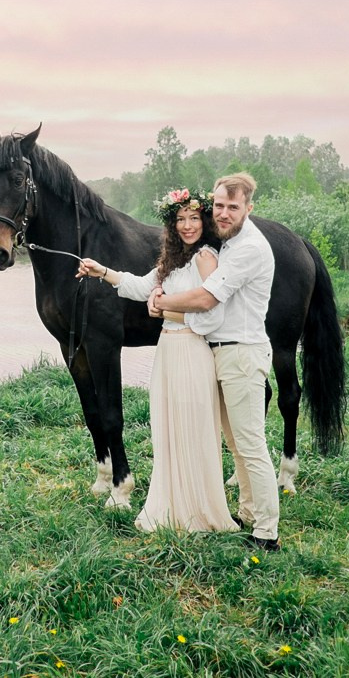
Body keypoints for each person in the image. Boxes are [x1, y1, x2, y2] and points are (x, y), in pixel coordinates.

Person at [77, 188, 239, 534]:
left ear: (204, 221)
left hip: (192, 351)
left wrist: (168, 309)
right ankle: (170, 503)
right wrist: (101, 270)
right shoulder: (172, 261)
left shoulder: (206, 258)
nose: (188, 225)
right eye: (180, 219)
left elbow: (214, 315)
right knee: (167, 426)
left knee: (192, 426)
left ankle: (200, 509)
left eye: (194, 218)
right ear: (172, 224)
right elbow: (138, 286)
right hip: (167, 352)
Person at [150, 173, 280, 551]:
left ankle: (267, 532)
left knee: (252, 444)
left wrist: (160, 303)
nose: (223, 214)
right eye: (219, 206)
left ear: (249, 208)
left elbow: (207, 300)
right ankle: (248, 513)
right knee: (236, 443)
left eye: (232, 208)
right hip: (219, 352)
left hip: (241, 353)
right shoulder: (228, 245)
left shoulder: (250, 248)